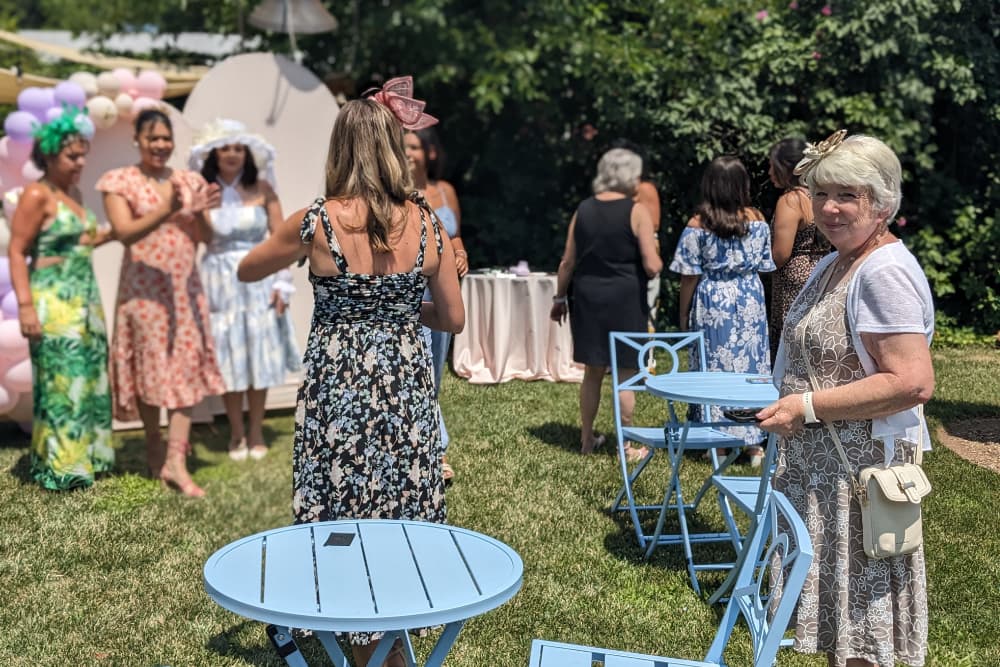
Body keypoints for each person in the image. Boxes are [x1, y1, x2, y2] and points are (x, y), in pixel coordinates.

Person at [237, 77, 463, 667]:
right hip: (405, 376)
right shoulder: (430, 222)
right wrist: (401, 298)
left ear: (340, 149)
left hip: (340, 380)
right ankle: (394, 633)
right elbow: (452, 319)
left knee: (344, 499)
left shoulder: (315, 221)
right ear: (394, 147)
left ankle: (362, 642)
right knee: (401, 496)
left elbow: (247, 270)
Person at [757, 131, 932, 667]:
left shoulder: (884, 271)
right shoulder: (842, 259)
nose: (828, 208)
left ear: (882, 204)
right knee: (845, 630)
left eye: (847, 196)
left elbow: (911, 382)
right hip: (826, 473)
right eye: (821, 192)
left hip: (857, 479)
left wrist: (804, 407)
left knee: (863, 635)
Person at [97, 108, 226, 498]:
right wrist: (166, 209)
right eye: (152, 138)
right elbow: (124, 233)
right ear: (137, 139)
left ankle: (176, 460)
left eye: (166, 138)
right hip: (144, 296)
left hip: (184, 293)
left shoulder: (188, 180)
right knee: (151, 372)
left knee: (184, 373)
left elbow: (205, 238)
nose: (160, 145)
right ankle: (154, 443)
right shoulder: (119, 181)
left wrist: (201, 213)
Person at [7, 106, 114, 490]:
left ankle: (89, 456)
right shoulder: (37, 194)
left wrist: (114, 232)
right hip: (53, 300)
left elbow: (79, 242)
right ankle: (63, 467)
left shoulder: (74, 193)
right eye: (73, 155)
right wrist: (25, 306)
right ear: (49, 155)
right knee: (61, 382)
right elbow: (18, 251)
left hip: (85, 298)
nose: (81, 161)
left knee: (88, 378)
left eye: (83, 153)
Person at [189, 119, 301, 462]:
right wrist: (198, 212)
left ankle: (256, 429)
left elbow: (282, 239)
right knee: (230, 356)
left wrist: (283, 282)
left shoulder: (264, 188)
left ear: (247, 154)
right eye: (226, 148)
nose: (233, 154)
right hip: (220, 280)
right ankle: (236, 431)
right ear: (214, 154)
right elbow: (204, 240)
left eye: (238, 148)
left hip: (258, 276)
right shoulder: (205, 191)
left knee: (259, 354)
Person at [550, 148, 662, 459]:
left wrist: (559, 298)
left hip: (587, 298)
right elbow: (652, 266)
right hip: (626, 299)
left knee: (593, 371)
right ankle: (625, 446)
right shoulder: (636, 211)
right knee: (626, 372)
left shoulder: (583, 210)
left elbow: (567, 262)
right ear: (628, 177)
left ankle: (586, 439)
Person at [669, 156, 775, 464]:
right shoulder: (757, 219)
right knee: (751, 369)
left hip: (714, 298)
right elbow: (765, 264)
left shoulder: (698, 224)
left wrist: (683, 315)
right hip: (750, 296)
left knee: (713, 368)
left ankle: (718, 443)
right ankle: (755, 443)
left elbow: (688, 275)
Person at [404, 126, 466, 481]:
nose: (409, 152)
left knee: (436, 372)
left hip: (441, 290)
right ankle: (436, 449)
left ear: (429, 152)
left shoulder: (445, 191)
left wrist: (460, 253)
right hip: (412, 291)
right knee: (420, 370)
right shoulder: (394, 195)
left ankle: (426, 440)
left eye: (415, 146)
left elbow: (454, 236)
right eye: (404, 147)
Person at [767, 137, 831, 362]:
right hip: (820, 271)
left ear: (786, 168)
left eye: (772, 165)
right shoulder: (820, 195)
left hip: (792, 280)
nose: (769, 172)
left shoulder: (790, 200)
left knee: (789, 345)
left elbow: (781, 255)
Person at [612, 138, 662, 326]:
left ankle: (644, 354)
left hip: (641, 252)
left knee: (643, 308)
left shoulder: (645, 188)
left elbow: (654, 224)